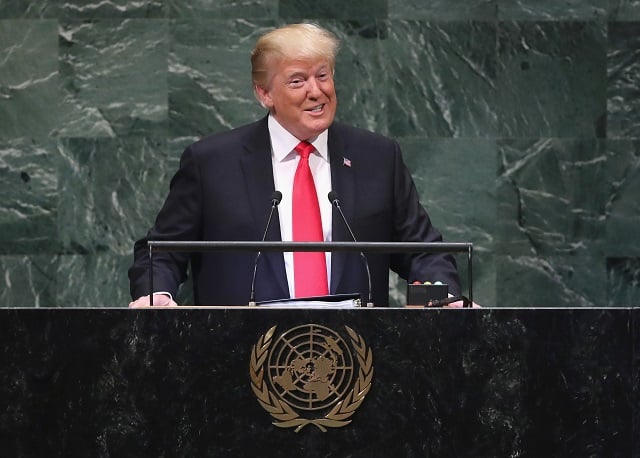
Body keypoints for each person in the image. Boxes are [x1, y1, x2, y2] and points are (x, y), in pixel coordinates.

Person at [128, 23, 462, 308]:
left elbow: (422, 252)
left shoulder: (377, 156)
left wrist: (440, 302)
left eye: (322, 76)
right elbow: (162, 251)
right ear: (264, 93)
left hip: (353, 360)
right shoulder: (212, 162)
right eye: (297, 81)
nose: (316, 91)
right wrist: (156, 293)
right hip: (234, 357)